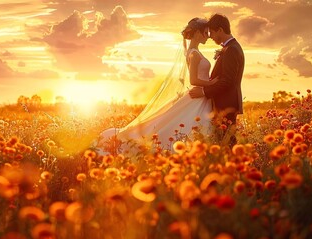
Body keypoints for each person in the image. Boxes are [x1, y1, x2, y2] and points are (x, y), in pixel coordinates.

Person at [98, 17, 217, 155]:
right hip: (198, 95)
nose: (208, 37)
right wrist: (212, 83)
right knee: (187, 124)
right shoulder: (194, 54)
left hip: (200, 96)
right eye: (205, 33)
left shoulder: (193, 51)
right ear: (197, 33)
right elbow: (194, 80)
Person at [188, 13, 244, 147]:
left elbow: (227, 81)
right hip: (224, 102)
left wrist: (204, 92)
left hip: (226, 104)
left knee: (226, 144)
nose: (210, 37)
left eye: (211, 33)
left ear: (220, 30)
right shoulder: (230, 48)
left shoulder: (231, 50)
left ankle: (232, 167)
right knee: (223, 143)